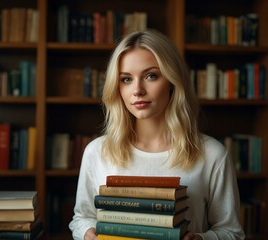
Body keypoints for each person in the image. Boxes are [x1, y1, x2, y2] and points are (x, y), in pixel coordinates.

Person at [69, 29, 245, 240]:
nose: (137, 90)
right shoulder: (97, 151)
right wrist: (88, 234)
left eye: (151, 76)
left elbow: (232, 233)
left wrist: (201, 239)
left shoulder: (212, 154)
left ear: (172, 81)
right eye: (126, 79)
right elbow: (81, 219)